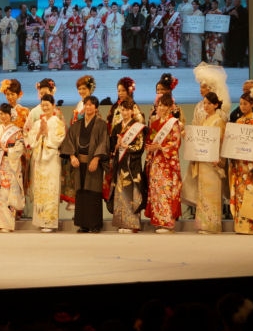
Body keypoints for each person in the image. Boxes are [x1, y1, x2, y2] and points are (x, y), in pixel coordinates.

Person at [60, 95, 109, 233]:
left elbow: (103, 142)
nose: (88, 107)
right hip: (79, 163)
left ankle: (95, 224)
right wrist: (72, 156)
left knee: (93, 192)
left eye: (91, 104)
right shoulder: (77, 125)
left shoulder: (101, 124)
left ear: (96, 108)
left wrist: (96, 159)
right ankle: (83, 225)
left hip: (93, 163)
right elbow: (69, 141)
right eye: (86, 104)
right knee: (81, 193)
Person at [228, 89, 253, 235]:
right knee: (239, 192)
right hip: (240, 162)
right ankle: (240, 225)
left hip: (251, 162)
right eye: (240, 104)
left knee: (251, 192)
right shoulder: (238, 121)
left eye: (245, 104)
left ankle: (251, 225)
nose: (242, 106)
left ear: (252, 104)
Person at [187, 91, 227, 234]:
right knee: (203, 193)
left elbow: (221, 142)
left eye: (209, 103)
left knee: (212, 193)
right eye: (204, 103)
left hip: (213, 161)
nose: (206, 106)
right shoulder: (204, 120)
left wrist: (219, 159)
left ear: (216, 105)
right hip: (203, 160)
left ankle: (212, 225)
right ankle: (203, 224)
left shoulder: (218, 120)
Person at [26, 93, 66, 233]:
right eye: (43, 105)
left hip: (51, 159)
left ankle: (49, 222)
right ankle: (40, 220)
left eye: (47, 105)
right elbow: (31, 141)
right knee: (40, 188)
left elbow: (59, 139)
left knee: (51, 188)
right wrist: (39, 133)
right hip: (39, 159)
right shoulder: (37, 123)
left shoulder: (57, 122)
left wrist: (47, 132)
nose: (45, 107)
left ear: (53, 106)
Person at [144, 93, 183, 233]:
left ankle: (167, 222)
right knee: (156, 191)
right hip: (156, 162)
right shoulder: (155, 122)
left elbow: (175, 142)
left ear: (169, 107)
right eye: (158, 105)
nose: (159, 108)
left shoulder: (173, 123)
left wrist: (160, 147)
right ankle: (158, 221)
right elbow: (149, 141)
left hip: (167, 163)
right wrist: (149, 148)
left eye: (163, 105)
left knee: (166, 191)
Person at [108, 98, 146, 233]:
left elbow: (140, 146)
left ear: (132, 111)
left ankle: (131, 223)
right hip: (120, 162)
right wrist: (116, 146)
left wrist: (126, 147)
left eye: (127, 110)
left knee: (131, 192)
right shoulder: (117, 127)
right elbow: (112, 147)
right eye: (122, 110)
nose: (124, 113)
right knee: (120, 192)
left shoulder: (137, 127)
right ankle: (121, 222)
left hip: (131, 163)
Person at [0, 103, 25, 232]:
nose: (3, 116)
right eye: (1, 114)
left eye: (5, 114)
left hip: (10, 164)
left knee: (9, 193)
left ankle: (7, 224)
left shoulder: (16, 131)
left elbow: (20, 148)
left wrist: (6, 149)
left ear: (11, 115)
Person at [64, 75, 96, 210]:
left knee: (87, 180)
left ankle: (86, 210)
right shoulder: (79, 104)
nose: (81, 91)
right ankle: (78, 210)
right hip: (76, 144)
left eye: (84, 88)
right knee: (76, 177)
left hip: (87, 145)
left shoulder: (92, 104)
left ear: (90, 89)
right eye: (79, 89)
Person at [123, 1, 146, 69]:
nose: (136, 8)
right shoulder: (129, 15)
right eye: (134, 6)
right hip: (131, 35)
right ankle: (132, 65)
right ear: (132, 8)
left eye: (137, 6)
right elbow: (126, 23)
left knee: (138, 50)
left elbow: (144, 24)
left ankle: (138, 65)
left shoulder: (141, 16)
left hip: (139, 35)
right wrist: (131, 27)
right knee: (132, 49)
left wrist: (140, 27)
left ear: (139, 8)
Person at [104, 1, 124, 69]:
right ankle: (111, 64)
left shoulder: (120, 16)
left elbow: (122, 23)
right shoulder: (109, 16)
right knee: (111, 48)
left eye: (115, 7)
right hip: (111, 34)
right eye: (113, 7)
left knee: (117, 48)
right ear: (111, 8)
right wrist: (112, 21)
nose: (114, 8)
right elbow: (107, 24)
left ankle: (117, 64)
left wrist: (117, 22)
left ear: (117, 7)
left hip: (118, 34)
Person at [0, 6, 18, 72]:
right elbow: (1, 29)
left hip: (11, 37)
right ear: (6, 12)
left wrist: (12, 26)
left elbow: (15, 28)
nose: (9, 13)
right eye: (8, 11)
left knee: (12, 52)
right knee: (6, 53)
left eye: (10, 11)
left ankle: (12, 67)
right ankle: (6, 67)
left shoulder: (13, 19)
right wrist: (7, 26)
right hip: (6, 38)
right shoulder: (3, 20)